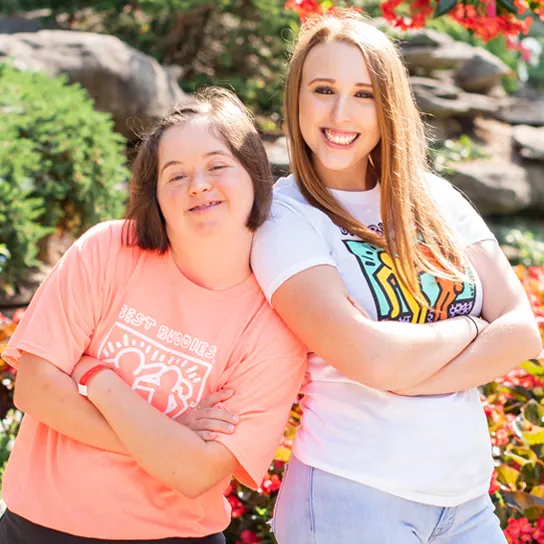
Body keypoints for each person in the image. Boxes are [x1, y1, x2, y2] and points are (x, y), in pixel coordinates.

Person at [248, 11, 542, 544]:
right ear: (296, 99)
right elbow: (370, 359)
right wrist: (471, 329)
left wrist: (406, 378)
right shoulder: (285, 219)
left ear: (388, 106)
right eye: (323, 89)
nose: (341, 112)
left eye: (363, 94)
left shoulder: (434, 197)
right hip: (351, 502)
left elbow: (521, 329)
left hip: (467, 506)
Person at [0, 87, 306, 544]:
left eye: (217, 165)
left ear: (255, 174)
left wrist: (96, 377)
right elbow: (36, 388)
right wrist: (166, 438)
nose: (198, 184)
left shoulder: (275, 323)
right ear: (156, 196)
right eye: (175, 175)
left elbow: (194, 471)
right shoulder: (107, 251)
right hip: (36, 528)